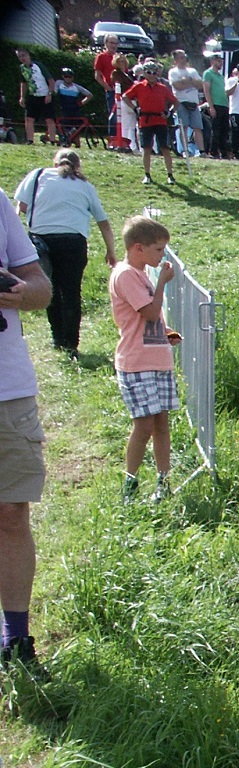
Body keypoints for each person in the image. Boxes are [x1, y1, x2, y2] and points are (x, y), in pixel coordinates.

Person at [0, 185, 53, 669]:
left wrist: (16, 292)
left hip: (6, 390)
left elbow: (40, 287)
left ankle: (15, 639)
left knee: (12, 513)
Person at [13, 149, 117, 357]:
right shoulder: (85, 186)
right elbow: (103, 222)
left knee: (49, 289)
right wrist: (110, 251)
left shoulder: (37, 175)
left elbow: (20, 208)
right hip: (73, 242)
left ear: (55, 163)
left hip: (41, 240)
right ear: (77, 166)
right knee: (70, 292)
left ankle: (57, 338)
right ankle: (71, 343)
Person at [110, 216, 182, 504]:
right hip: (137, 362)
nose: (162, 255)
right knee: (144, 426)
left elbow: (152, 321)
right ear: (138, 248)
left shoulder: (140, 275)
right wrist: (162, 283)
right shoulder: (126, 274)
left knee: (161, 424)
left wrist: (166, 334)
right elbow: (149, 312)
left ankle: (163, 483)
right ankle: (131, 483)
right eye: (158, 249)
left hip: (157, 359)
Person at [123, 60, 178, 185]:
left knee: (165, 148)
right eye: (149, 72)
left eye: (154, 72)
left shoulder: (163, 88)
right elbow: (125, 96)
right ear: (144, 73)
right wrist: (134, 108)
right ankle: (147, 174)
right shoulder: (139, 86)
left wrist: (169, 112)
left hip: (160, 120)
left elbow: (175, 101)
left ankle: (170, 174)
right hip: (145, 120)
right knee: (146, 148)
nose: (152, 75)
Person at [16, 48, 57, 145]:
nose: (22, 58)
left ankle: (52, 140)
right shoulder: (22, 68)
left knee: (49, 119)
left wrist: (49, 94)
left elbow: (51, 81)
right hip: (33, 95)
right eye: (19, 56)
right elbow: (24, 83)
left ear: (28, 55)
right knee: (29, 118)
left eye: (23, 55)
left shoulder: (38, 66)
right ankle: (30, 140)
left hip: (45, 94)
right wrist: (22, 96)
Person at [54, 68, 93, 147]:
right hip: (63, 108)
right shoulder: (59, 83)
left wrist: (81, 103)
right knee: (65, 126)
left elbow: (90, 95)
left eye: (70, 77)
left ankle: (75, 142)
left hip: (74, 109)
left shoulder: (76, 87)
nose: (68, 78)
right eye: (66, 76)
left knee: (76, 127)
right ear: (63, 76)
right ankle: (64, 140)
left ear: (72, 77)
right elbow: (54, 92)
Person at [202, 55, 231, 159]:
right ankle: (213, 151)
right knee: (216, 129)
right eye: (218, 61)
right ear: (212, 61)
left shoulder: (221, 76)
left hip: (224, 104)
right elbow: (206, 90)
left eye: (221, 61)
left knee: (224, 129)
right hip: (215, 104)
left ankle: (223, 152)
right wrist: (211, 106)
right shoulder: (208, 73)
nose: (221, 63)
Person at [94, 34, 120, 141]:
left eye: (115, 43)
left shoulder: (119, 57)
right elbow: (97, 76)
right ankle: (113, 140)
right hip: (112, 91)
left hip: (123, 91)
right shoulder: (101, 57)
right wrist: (108, 88)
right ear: (106, 44)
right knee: (113, 116)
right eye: (111, 43)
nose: (114, 45)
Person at [111, 53, 137, 150]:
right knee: (125, 124)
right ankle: (124, 144)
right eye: (119, 61)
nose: (122, 63)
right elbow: (118, 86)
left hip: (132, 100)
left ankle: (132, 146)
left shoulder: (127, 74)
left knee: (132, 125)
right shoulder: (115, 73)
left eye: (123, 61)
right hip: (123, 100)